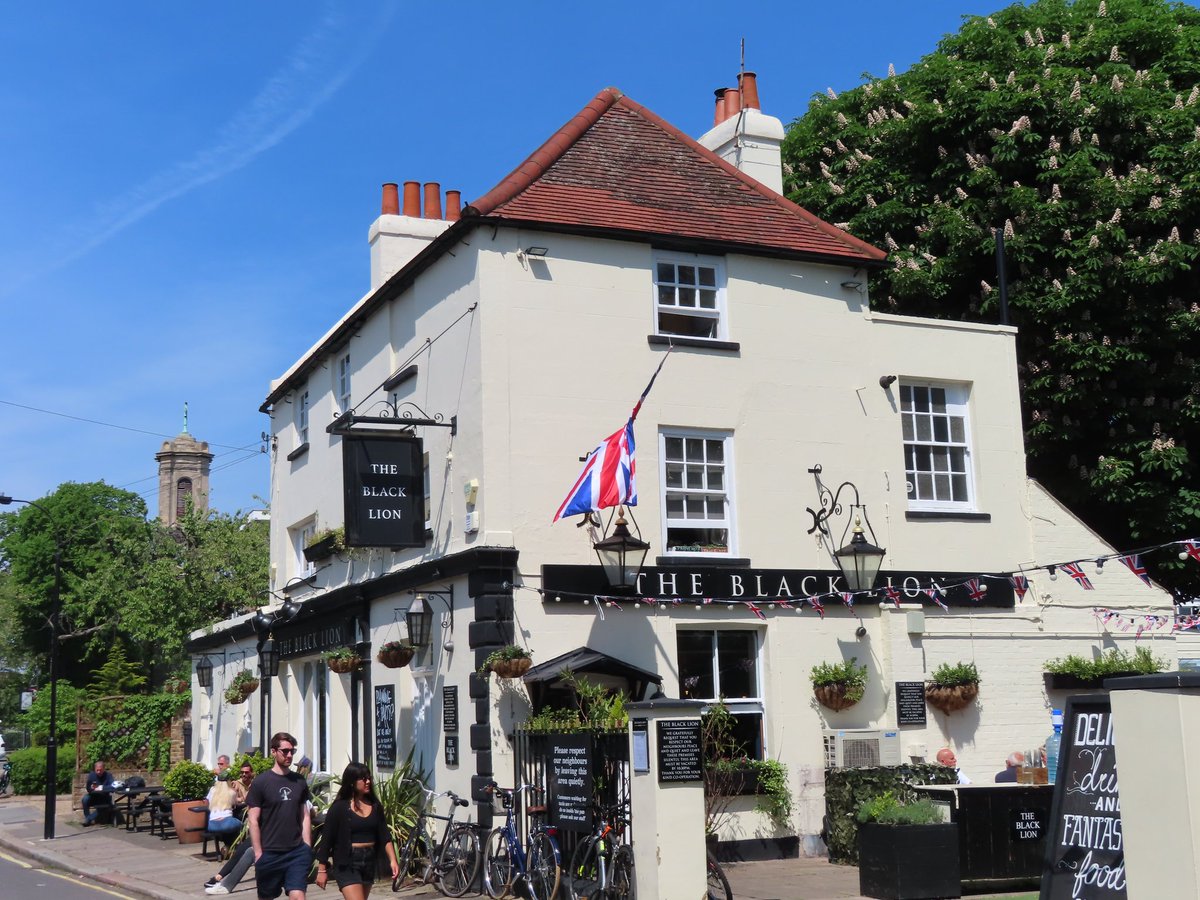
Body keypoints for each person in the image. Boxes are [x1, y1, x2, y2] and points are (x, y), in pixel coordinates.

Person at [316, 762, 399, 898]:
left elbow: (384, 836)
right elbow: (327, 840)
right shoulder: (339, 808)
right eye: (363, 779)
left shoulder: (375, 806)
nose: (368, 782)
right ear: (352, 782)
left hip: (369, 861)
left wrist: (393, 860)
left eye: (369, 778)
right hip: (348, 862)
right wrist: (321, 870)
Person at [247, 732, 312, 900]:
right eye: (285, 751)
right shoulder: (261, 782)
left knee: (298, 896)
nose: (289, 755)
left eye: (292, 751)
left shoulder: (299, 781)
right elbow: (253, 820)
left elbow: (304, 815)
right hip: (269, 853)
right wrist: (258, 853)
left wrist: (307, 846)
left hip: (297, 852)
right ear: (274, 752)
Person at [82, 760, 114, 826]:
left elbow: (112, 787)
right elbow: (88, 788)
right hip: (93, 796)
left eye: (100, 770)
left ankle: (88, 819)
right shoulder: (92, 775)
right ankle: (87, 818)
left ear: (104, 769)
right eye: (97, 770)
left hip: (104, 797)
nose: (99, 772)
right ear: (95, 769)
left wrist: (100, 787)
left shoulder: (108, 775)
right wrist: (91, 788)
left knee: (104, 805)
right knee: (85, 799)